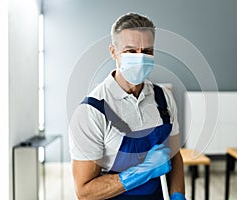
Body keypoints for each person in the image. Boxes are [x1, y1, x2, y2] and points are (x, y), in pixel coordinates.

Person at [69, 12, 186, 200]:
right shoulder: (91, 111)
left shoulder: (163, 98)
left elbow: (174, 156)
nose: (140, 58)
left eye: (147, 51)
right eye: (131, 51)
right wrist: (141, 172)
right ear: (113, 52)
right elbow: (84, 192)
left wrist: (178, 195)